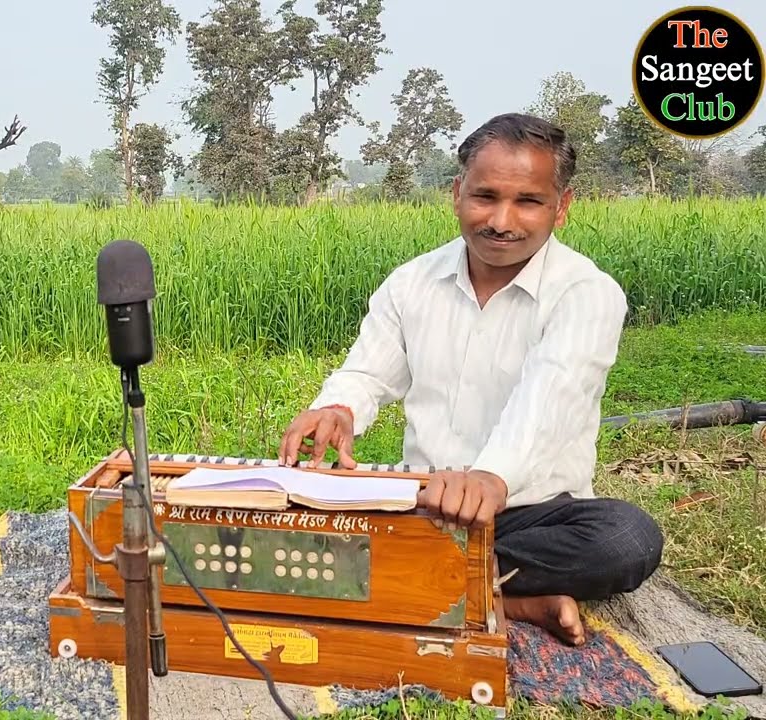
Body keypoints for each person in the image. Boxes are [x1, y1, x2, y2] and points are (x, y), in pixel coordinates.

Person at [277, 113, 663, 647]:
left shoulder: (587, 293)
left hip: (531, 517)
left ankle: (411, 578)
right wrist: (338, 409)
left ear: (563, 207)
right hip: (423, 505)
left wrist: (490, 478)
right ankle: (506, 598)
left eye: (528, 201)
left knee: (627, 540)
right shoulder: (412, 283)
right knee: (282, 522)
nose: (502, 221)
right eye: (485, 196)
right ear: (457, 193)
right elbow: (367, 372)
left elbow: (550, 399)